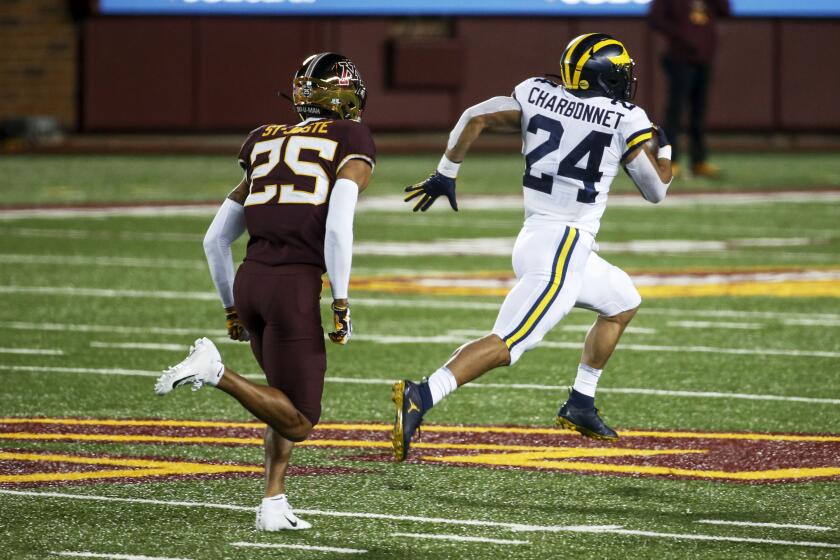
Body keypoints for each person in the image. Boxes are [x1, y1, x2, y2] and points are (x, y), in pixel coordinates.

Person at [392, 33, 672, 461]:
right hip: (562, 246)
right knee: (509, 342)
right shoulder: (627, 119)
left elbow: (474, 116)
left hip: (542, 239)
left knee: (622, 301)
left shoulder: (536, 93)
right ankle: (423, 394)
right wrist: (665, 151)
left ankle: (581, 402)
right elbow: (655, 191)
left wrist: (446, 172)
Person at [154, 52, 375, 530]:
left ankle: (273, 504)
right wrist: (340, 299)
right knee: (300, 419)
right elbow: (337, 228)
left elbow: (215, 239)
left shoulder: (262, 139)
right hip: (292, 288)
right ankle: (216, 373)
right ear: (344, 96)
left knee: (281, 398)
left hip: (250, 281)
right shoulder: (351, 136)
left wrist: (231, 306)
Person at [649, 0, 731, 178]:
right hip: (679, 56)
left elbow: (726, 11)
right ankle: (671, 160)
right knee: (675, 111)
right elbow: (656, 19)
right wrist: (683, 35)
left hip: (704, 57)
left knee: (699, 112)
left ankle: (698, 161)